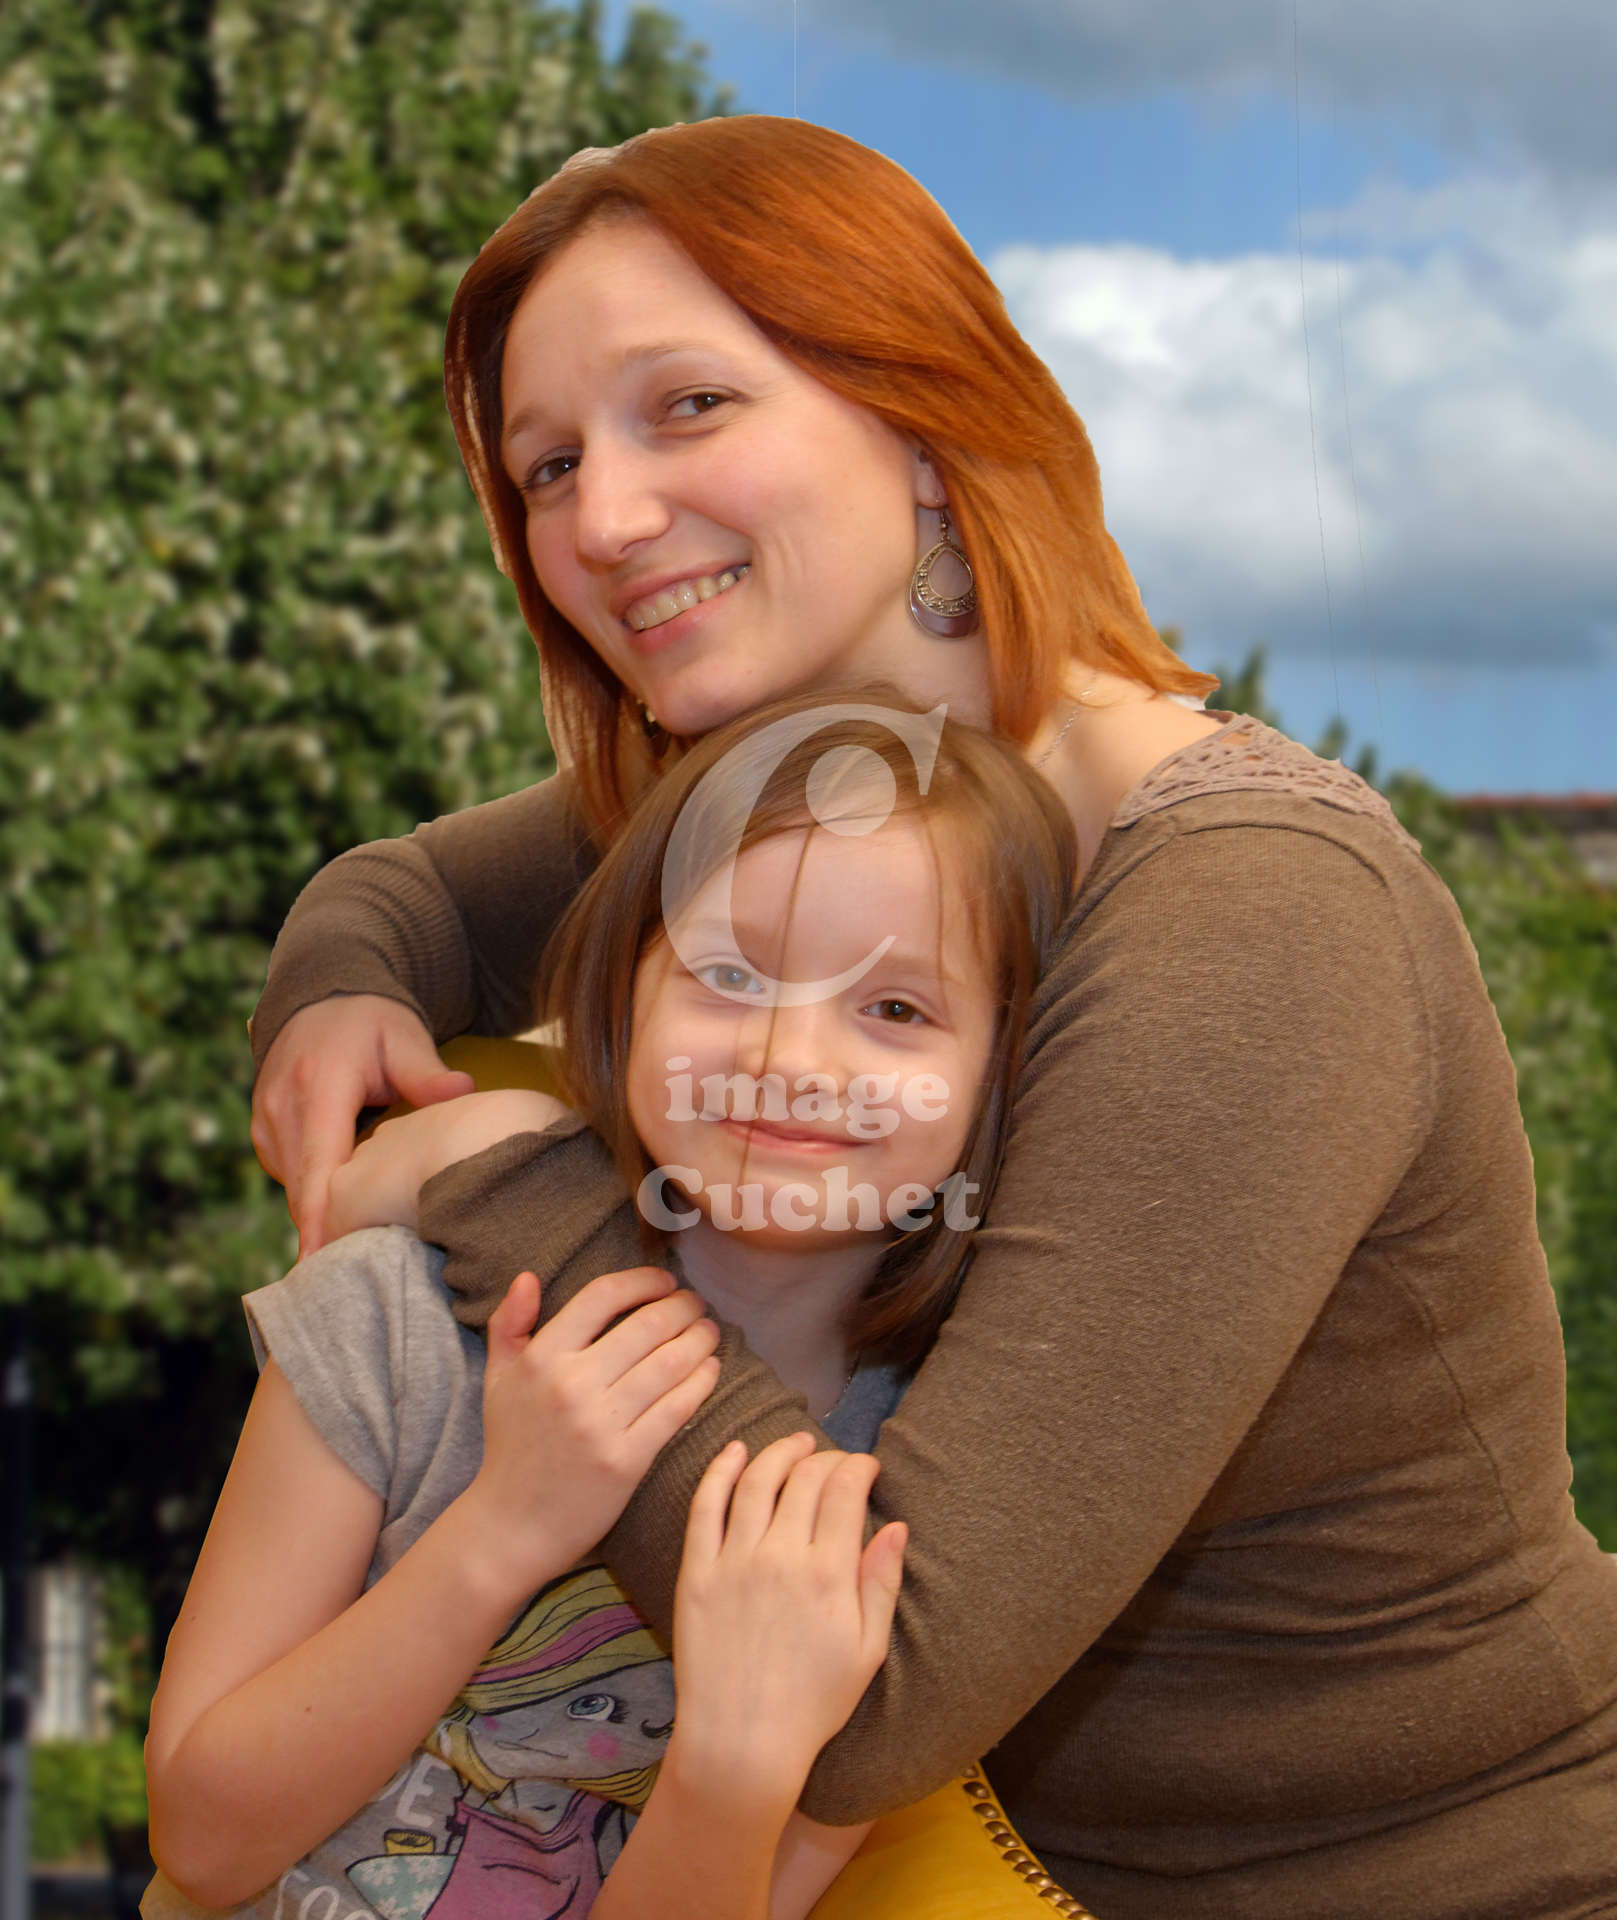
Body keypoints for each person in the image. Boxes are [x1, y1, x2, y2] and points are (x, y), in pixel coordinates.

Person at [247, 114, 1617, 1917]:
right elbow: (409, 892)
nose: (602, 519)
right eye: (548, 465)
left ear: (919, 414)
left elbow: (870, 1700)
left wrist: (502, 1180)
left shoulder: (1254, 912)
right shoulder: (810, 814)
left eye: (688, 407)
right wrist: (339, 990)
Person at [143, 694, 1078, 1920]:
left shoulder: (931, 1478)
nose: (791, 1061)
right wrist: (507, 1526)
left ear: (1003, 1076)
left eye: (895, 1010)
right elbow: (202, 1841)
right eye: (728, 975)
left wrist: (735, 1769)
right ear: (620, 999)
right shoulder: (393, 1317)